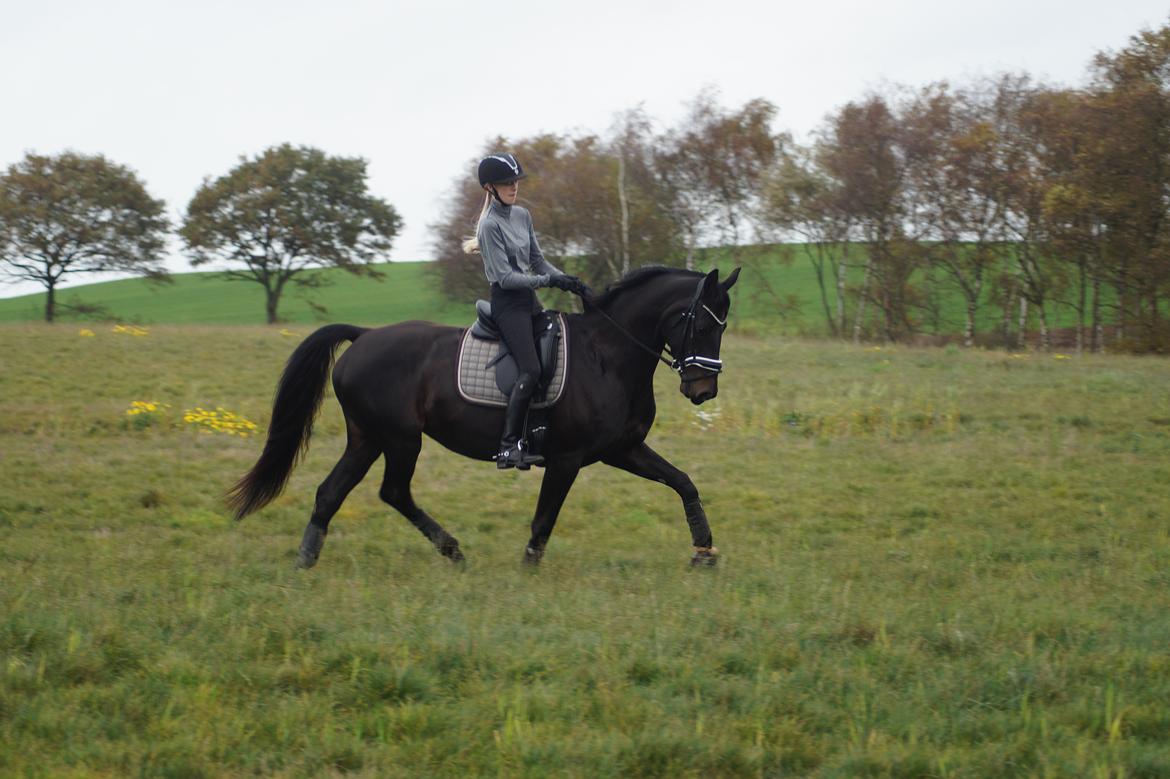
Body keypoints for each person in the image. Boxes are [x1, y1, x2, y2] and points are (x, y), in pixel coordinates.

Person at [462, 153, 590, 469]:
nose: (513, 187)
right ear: (490, 187)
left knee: (556, 353)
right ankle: (508, 446)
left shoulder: (522, 215)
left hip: (530, 303)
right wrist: (548, 280)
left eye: (516, 181)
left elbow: (537, 260)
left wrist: (564, 279)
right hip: (508, 305)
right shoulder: (489, 226)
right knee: (530, 370)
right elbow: (506, 277)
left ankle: (542, 429)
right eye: (507, 183)